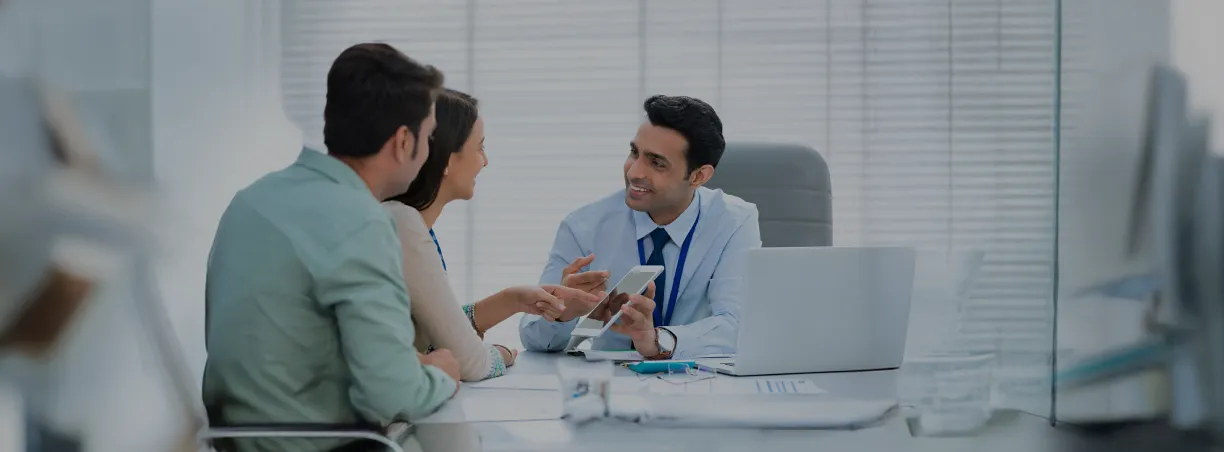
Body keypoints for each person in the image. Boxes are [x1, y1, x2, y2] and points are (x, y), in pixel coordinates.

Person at [202, 43, 458, 452]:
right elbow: (394, 393)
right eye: (428, 137)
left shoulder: (251, 200)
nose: (429, 150)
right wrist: (441, 373)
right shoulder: (361, 220)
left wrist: (406, 368)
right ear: (402, 141)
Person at [519, 95, 761, 360]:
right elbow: (533, 338)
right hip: (610, 378)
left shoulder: (733, 221)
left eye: (657, 163)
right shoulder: (583, 226)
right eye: (634, 153)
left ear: (698, 176)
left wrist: (658, 340)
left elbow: (738, 326)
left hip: (698, 377)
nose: (634, 172)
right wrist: (560, 313)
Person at [382, 88, 600, 382]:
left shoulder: (408, 223)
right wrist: (503, 354)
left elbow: (435, 328)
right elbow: (471, 363)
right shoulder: (402, 227)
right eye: (479, 148)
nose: (485, 161)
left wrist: (514, 300)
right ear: (446, 159)